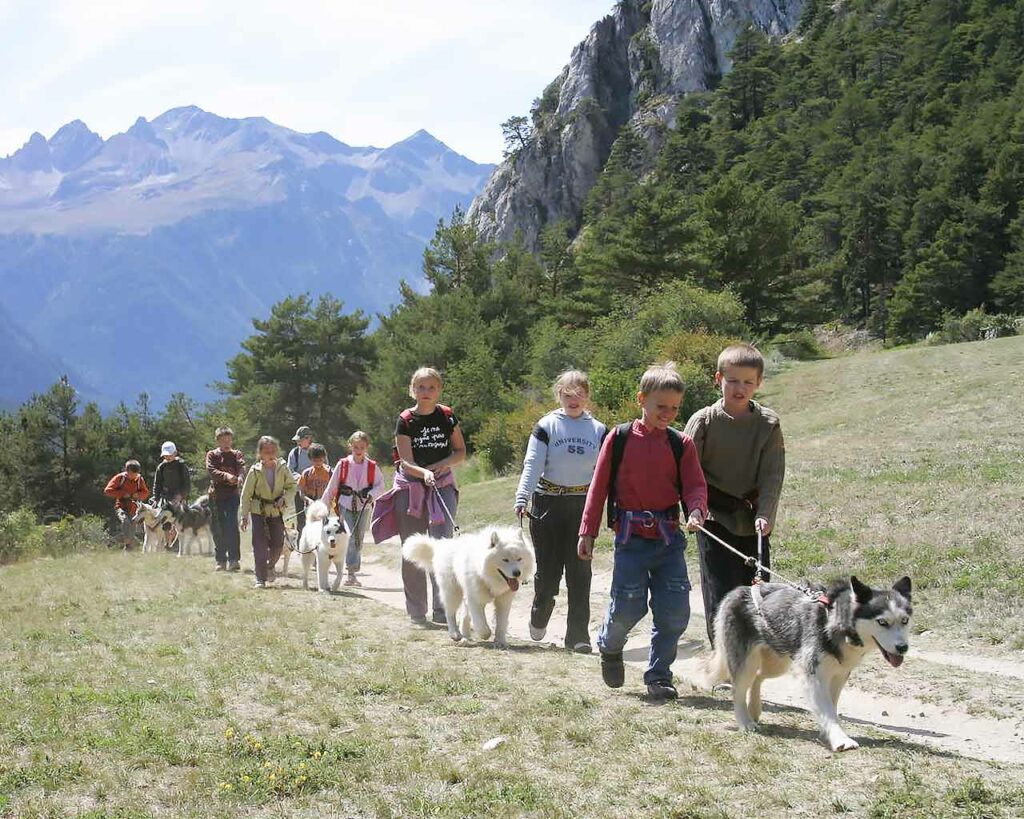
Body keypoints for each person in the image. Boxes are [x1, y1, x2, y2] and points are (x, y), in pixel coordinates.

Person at [577, 362, 708, 701]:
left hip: (669, 541)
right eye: (660, 406)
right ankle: (610, 644)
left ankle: (659, 675)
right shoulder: (618, 439)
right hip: (630, 541)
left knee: (675, 611)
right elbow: (598, 486)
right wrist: (587, 531)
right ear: (641, 399)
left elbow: (695, 486)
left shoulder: (682, 444)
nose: (668, 413)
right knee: (628, 606)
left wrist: (696, 510)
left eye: (675, 408)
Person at [683, 343, 785, 646]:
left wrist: (766, 513)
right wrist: (695, 509)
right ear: (719, 379)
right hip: (712, 516)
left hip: (752, 519)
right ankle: (724, 658)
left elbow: (772, 475)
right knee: (721, 589)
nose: (740, 388)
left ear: (759, 384)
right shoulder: (703, 421)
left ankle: (751, 657)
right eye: (733, 381)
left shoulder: (768, 424)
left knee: (756, 591)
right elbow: (685, 474)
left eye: (748, 382)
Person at [514, 370, 606, 653]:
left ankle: (578, 636)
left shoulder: (599, 430)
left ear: (587, 396)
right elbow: (533, 463)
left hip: (582, 505)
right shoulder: (547, 425)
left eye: (579, 393)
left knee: (580, 572)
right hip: (547, 503)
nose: (573, 399)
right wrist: (522, 496)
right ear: (559, 395)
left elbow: (606, 473)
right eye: (567, 394)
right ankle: (541, 607)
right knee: (549, 572)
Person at [371, 367, 465, 624]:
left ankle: (442, 609)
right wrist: (424, 472)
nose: (425, 392)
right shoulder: (406, 419)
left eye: (431, 387)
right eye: (420, 387)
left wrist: (444, 465)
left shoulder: (447, 416)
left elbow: (460, 451)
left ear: (439, 390)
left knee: (441, 548)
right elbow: (405, 460)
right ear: (412, 389)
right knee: (413, 549)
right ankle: (416, 611)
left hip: (442, 485)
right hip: (410, 487)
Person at [322, 431, 386, 587]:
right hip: (345, 503)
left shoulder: (372, 466)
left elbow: (380, 485)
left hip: (364, 505)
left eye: (362, 447)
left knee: (358, 539)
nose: (358, 450)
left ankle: (351, 573)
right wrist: (323, 506)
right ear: (350, 446)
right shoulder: (343, 464)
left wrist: (371, 494)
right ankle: (345, 569)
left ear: (366, 447)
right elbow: (332, 486)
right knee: (348, 536)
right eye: (356, 446)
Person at [239, 435, 297, 589]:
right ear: (260, 453)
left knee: (278, 544)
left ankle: (270, 566)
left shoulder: (283, 467)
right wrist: (244, 516)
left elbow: (292, 486)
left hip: (276, 511)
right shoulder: (255, 471)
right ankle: (260, 578)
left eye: (272, 450)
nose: (270, 453)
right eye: (266, 451)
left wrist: (284, 499)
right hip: (258, 511)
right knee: (260, 545)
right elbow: (246, 495)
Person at [206, 426, 245, 572]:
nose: (227, 443)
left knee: (231, 526)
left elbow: (242, 467)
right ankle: (220, 560)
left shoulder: (237, 454)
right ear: (217, 441)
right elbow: (211, 471)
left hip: (232, 495)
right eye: (223, 440)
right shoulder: (212, 455)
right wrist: (226, 476)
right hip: (216, 496)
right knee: (218, 527)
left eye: (229, 439)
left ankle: (234, 559)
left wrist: (240, 477)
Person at [103, 460, 150, 550]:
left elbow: (145, 493)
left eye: (136, 474)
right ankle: (118, 542)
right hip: (121, 506)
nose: (134, 477)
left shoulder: (140, 480)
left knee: (132, 529)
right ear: (127, 471)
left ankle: (128, 549)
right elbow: (107, 491)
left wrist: (138, 495)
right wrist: (122, 494)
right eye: (132, 474)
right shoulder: (120, 478)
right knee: (125, 522)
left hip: (134, 508)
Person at [287, 425, 324, 537]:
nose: (298, 442)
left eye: (300, 439)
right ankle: (302, 544)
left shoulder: (318, 450)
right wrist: (301, 478)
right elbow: (290, 470)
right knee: (301, 519)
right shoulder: (294, 453)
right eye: (297, 440)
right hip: (301, 490)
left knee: (319, 517)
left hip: (317, 490)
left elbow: (325, 467)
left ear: (308, 438)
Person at [153, 441, 191, 548]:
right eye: (165, 455)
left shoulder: (181, 466)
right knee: (165, 520)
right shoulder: (161, 467)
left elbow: (187, 483)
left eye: (169, 454)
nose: (167, 457)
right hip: (166, 496)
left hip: (179, 496)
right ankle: (167, 543)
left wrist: (182, 496)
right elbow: (157, 484)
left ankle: (176, 543)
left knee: (179, 520)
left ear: (175, 453)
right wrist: (156, 499)